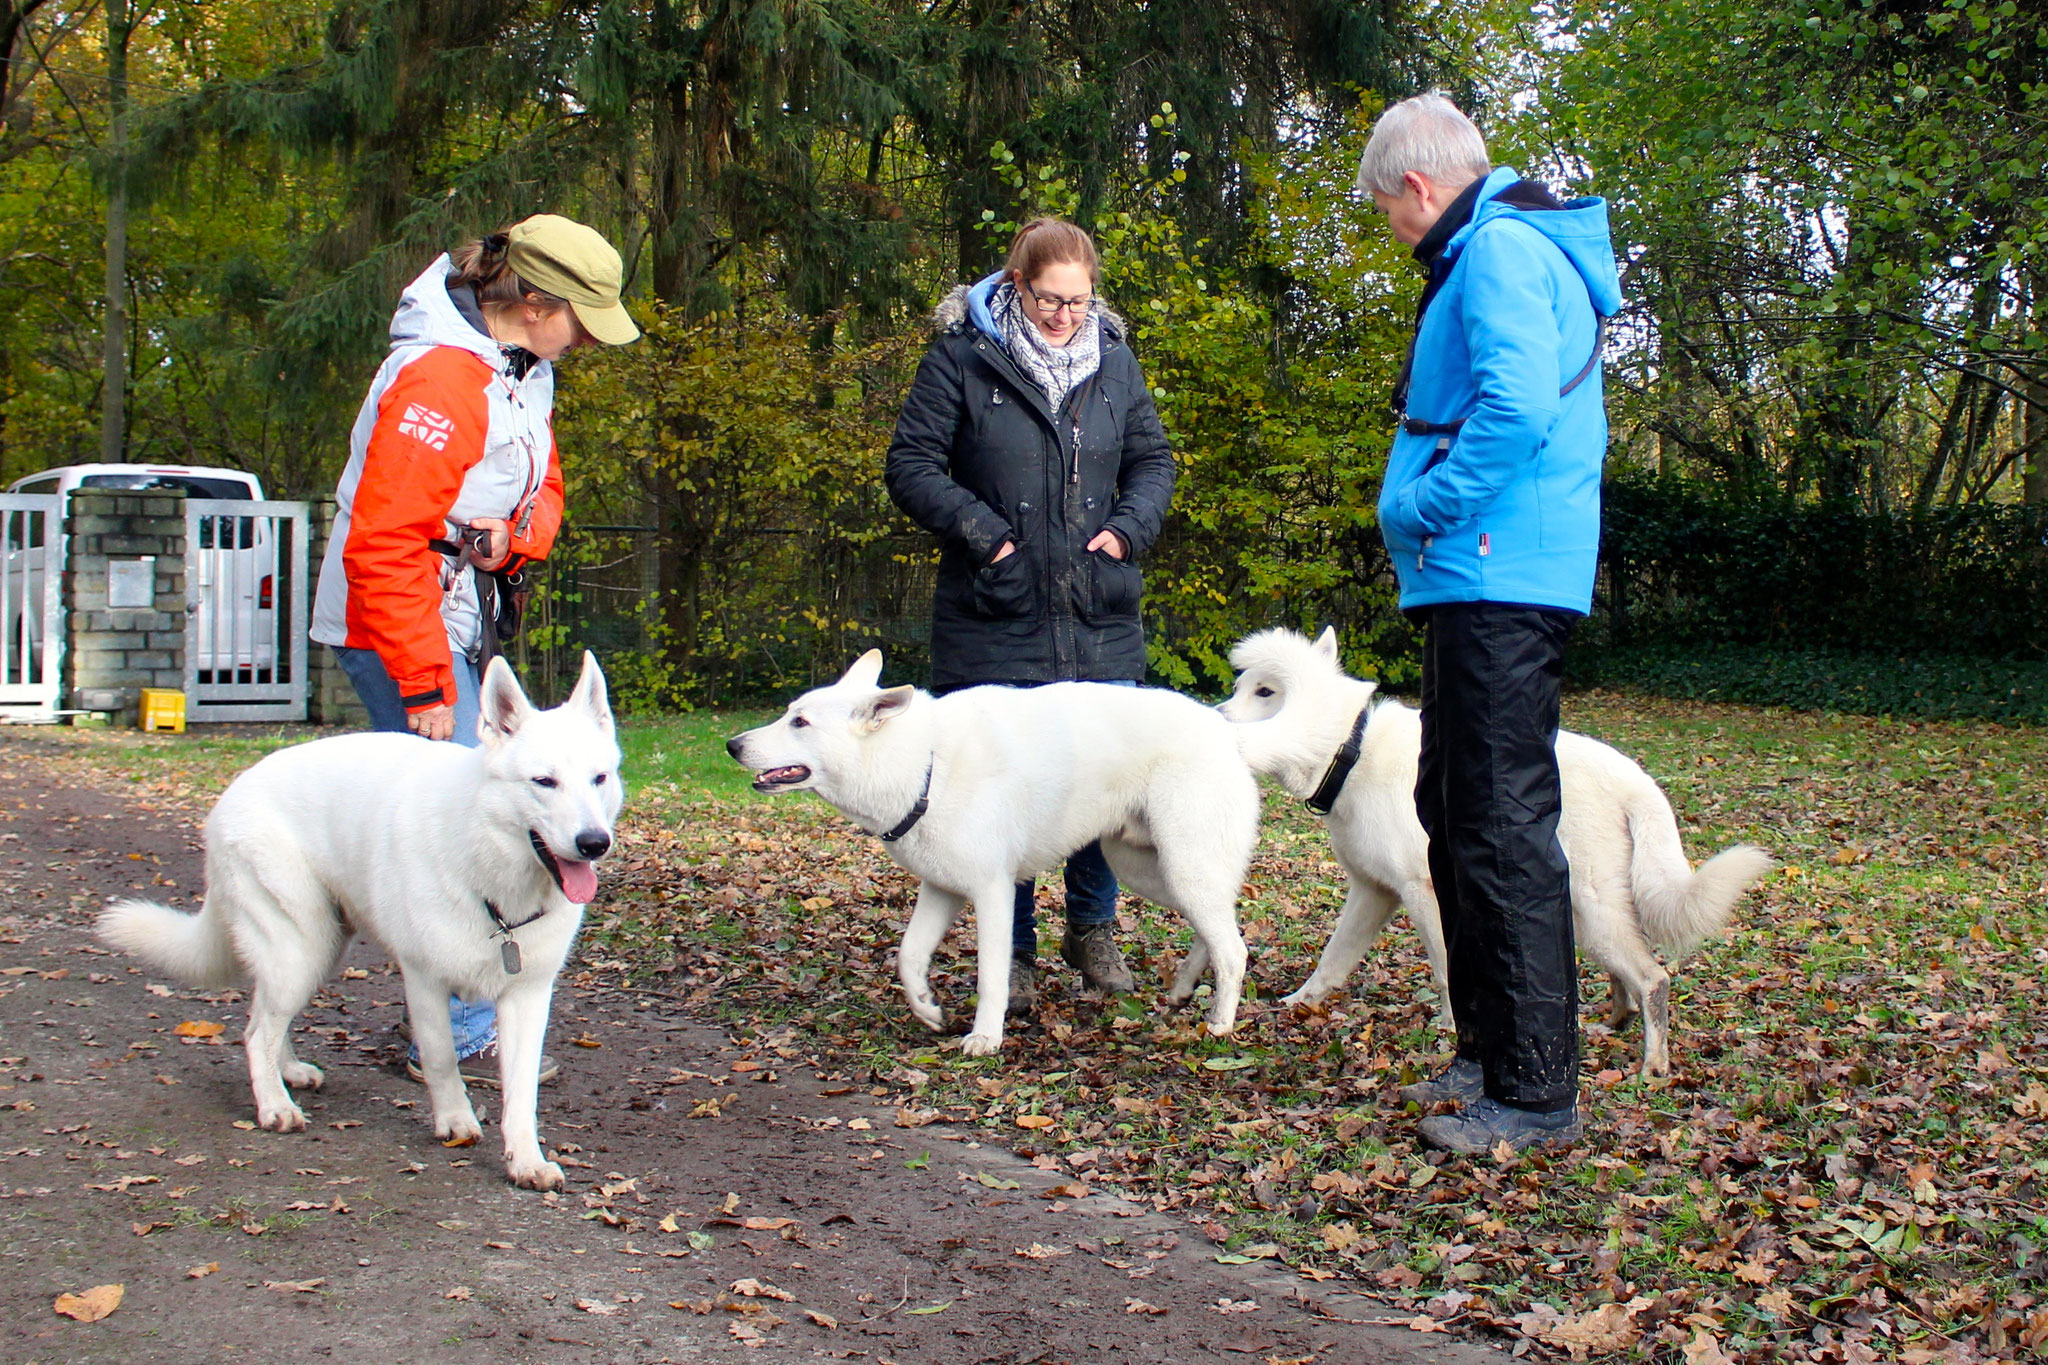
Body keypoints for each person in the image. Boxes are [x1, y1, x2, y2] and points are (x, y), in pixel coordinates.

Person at [309, 213, 640, 1086]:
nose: (589, 342)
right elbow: (380, 543)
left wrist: (510, 537)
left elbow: (546, 480)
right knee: (461, 822)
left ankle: (460, 1027)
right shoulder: (440, 379)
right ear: (534, 301)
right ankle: (453, 1037)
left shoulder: (521, 368)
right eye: (583, 319)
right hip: (397, 627)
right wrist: (424, 685)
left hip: (454, 613)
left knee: (477, 810)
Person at [1359, 95, 1621, 1152]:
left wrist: (1419, 509)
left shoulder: (1501, 251)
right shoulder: (1491, 247)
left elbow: (1516, 409)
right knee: (1454, 804)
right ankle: (1486, 1051)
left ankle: (1532, 1092)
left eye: (1383, 206)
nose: (1387, 225)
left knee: (1502, 823)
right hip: (1478, 576)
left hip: (1493, 571)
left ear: (1417, 187)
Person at [884, 217, 1176, 1015]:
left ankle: (1093, 928)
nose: (1064, 317)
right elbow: (909, 465)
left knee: (1098, 775)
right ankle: (1007, 951)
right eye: (1050, 299)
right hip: (995, 609)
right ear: (1018, 285)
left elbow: (1153, 461)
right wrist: (990, 540)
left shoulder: (1115, 361)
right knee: (995, 788)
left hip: (1097, 608)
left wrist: (1126, 532)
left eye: (1079, 302)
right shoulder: (961, 358)